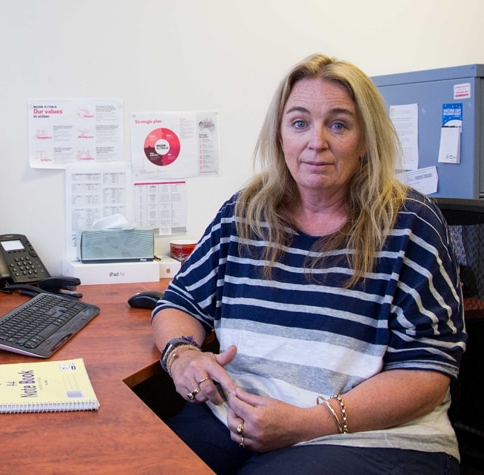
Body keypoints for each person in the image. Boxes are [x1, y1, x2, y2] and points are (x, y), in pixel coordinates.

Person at [152, 53, 467, 475]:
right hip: (237, 420)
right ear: (280, 135)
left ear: (366, 139)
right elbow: (179, 304)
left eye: (338, 124)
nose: (316, 142)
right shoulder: (245, 213)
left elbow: (428, 368)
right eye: (299, 123)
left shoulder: (411, 223)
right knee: (141, 457)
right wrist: (181, 355)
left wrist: (307, 423)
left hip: (369, 435)